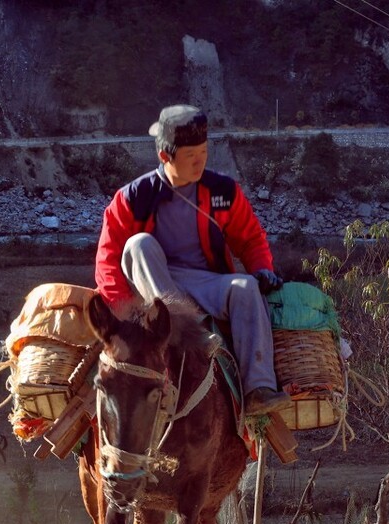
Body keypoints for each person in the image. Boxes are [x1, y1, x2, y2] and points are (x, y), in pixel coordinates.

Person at [95, 104, 292, 417]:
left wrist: (262, 269)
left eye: (203, 151)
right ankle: (186, 331)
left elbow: (250, 238)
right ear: (165, 157)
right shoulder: (134, 197)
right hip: (156, 287)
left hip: (206, 281)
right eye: (190, 155)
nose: (200, 160)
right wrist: (122, 316)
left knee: (245, 286)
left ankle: (258, 388)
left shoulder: (222, 192)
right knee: (138, 245)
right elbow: (108, 260)